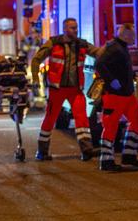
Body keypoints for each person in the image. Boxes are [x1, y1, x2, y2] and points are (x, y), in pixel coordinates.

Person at [31, 18, 101, 161]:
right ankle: (42, 151)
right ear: (65, 29)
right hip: (57, 89)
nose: (75, 30)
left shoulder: (82, 44)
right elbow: (36, 60)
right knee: (50, 119)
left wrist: (113, 46)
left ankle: (87, 150)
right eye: (72, 28)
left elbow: (98, 53)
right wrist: (35, 79)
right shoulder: (53, 43)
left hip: (75, 90)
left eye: (76, 28)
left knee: (82, 118)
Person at [94, 23, 138, 171]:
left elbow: (115, 66)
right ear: (125, 35)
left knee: (136, 120)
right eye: (132, 35)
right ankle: (106, 161)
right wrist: (112, 80)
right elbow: (99, 64)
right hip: (115, 95)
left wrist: (131, 77)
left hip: (126, 95)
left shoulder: (120, 47)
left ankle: (129, 156)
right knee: (110, 126)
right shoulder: (114, 48)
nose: (134, 38)